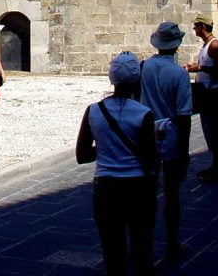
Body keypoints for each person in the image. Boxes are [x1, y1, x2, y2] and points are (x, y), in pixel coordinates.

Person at [76, 52, 158, 276]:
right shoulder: (144, 114)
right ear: (136, 80)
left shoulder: (93, 111)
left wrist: (105, 148)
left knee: (112, 249)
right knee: (141, 244)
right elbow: (149, 158)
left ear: (111, 79)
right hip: (138, 186)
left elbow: (82, 155)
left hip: (105, 186)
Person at [139, 22, 191, 261]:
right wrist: (184, 149)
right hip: (170, 137)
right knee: (171, 194)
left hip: (146, 134)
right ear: (177, 45)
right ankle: (172, 240)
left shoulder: (144, 67)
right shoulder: (179, 74)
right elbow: (183, 115)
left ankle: (144, 241)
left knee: (146, 194)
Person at [186, 15, 218, 182]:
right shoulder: (206, 45)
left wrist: (200, 68)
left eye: (196, 26)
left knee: (214, 129)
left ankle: (217, 167)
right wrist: (193, 68)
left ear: (202, 26)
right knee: (208, 129)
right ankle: (214, 165)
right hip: (205, 92)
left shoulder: (215, 45)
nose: (194, 29)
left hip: (212, 92)